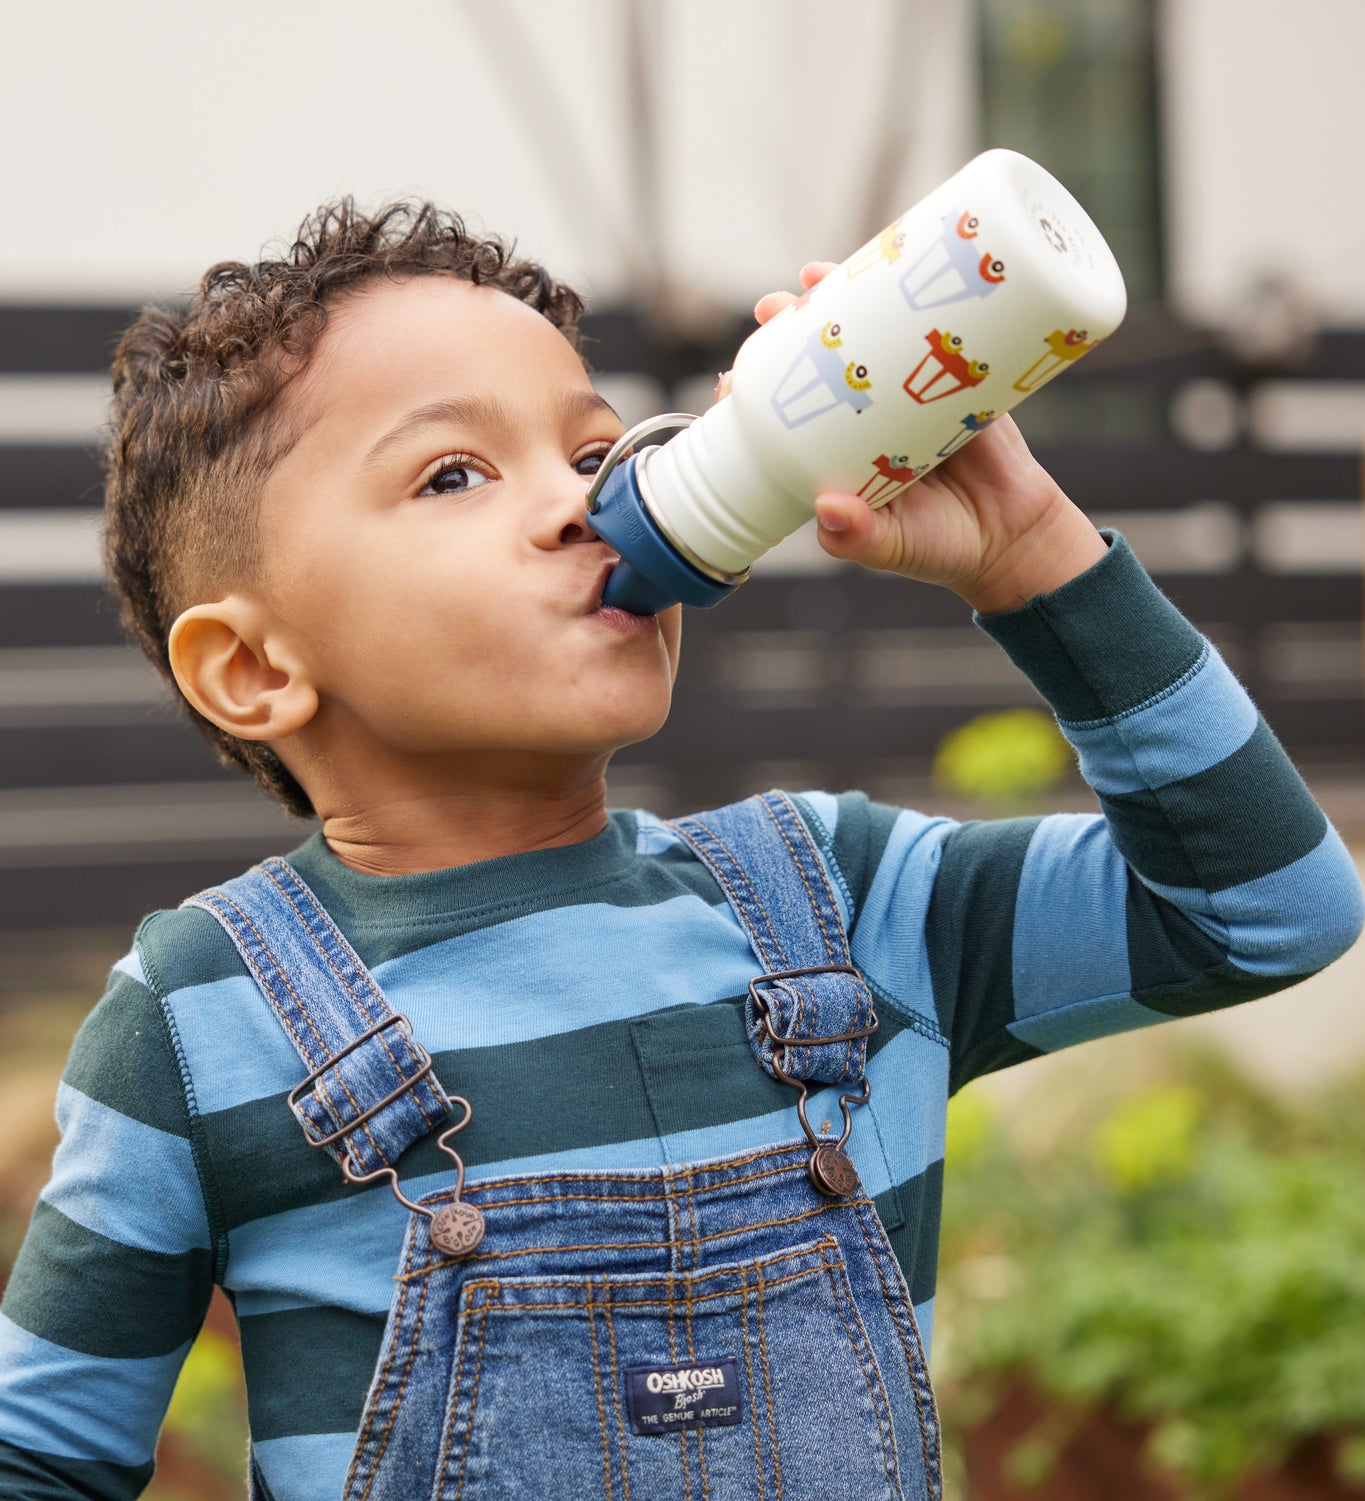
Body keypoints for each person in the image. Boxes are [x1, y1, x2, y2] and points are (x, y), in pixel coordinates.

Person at [0, 200, 1359, 1501]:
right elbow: (43, 1460)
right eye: (453, 472)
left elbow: (1265, 908)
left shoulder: (844, 900)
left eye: (595, 451)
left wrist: (1032, 553)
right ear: (251, 668)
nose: (584, 504)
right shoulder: (200, 1019)